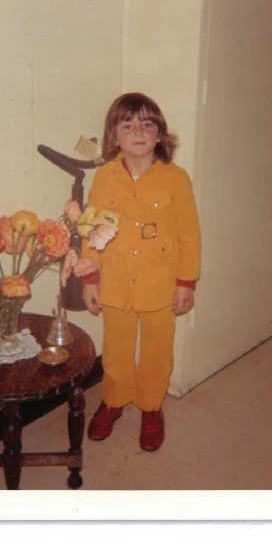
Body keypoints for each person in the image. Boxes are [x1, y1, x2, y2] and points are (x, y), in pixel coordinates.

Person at [80, 92, 201, 452]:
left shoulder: (176, 179)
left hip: (160, 284)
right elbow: (92, 227)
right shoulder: (105, 177)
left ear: (159, 135)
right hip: (115, 281)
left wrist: (186, 282)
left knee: (157, 350)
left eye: (147, 125)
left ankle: (151, 407)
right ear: (114, 136)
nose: (138, 132)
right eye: (128, 125)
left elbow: (189, 234)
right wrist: (90, 278)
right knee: (115, 348)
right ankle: (114, 401)